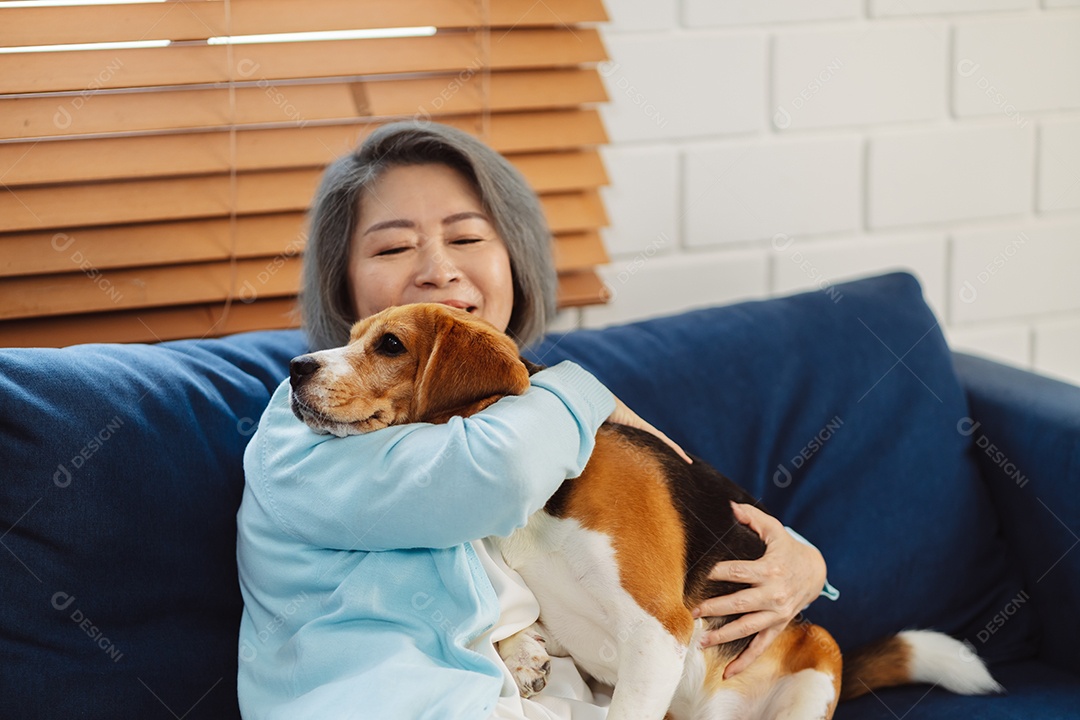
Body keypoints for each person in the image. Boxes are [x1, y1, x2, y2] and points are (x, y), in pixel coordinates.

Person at [236, 121, 834, 719]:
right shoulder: (298, 433)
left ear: (515, 261)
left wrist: (808, 564)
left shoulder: (544, 438)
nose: (438, 270)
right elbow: (498, 473)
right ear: (340, 282)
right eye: (392, 247)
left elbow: (676, 529)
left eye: (467, 237)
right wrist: (582, 391)